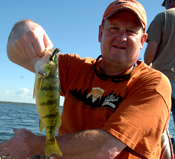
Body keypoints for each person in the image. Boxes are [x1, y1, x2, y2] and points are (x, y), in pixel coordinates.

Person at [0, 0, 172, 158]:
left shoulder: (154, 84)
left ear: (142, 41)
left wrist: (38, 145)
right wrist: (22, 30)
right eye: (113, 28)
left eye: (130, 31)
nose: (121, 37)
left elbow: (106, 148)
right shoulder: (74, 68)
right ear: (100, 33)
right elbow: (18, 57)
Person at [144, 0, 175, 127]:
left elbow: (150, 53)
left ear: (169, 1)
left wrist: (146, 65)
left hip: (162, 78)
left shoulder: (163, 16)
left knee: (160, 127)